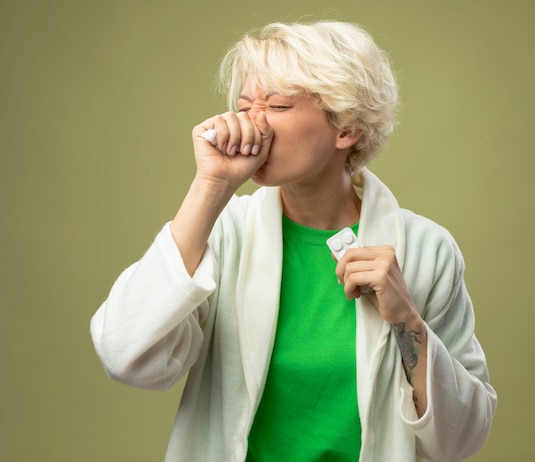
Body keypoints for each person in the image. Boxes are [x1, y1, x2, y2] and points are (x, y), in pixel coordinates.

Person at [90, 20, 497, 462]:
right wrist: (210, 185)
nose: (252, 124)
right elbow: (125, 356)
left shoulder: (426, 250)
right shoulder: (226, 232)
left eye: (278, 106)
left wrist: (407, 322)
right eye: (246, 105)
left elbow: (463, 438)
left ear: (346, 127)